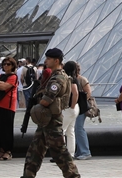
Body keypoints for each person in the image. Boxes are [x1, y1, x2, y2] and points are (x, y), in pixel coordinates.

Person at [20, 48, 80, 178]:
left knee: (59, 151)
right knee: (35, 150)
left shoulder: (58, 78)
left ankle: (73, 176)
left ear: (56, 60)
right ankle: (28, 175)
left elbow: (47, 100)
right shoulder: (54, 76)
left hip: (52, 119)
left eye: (48, 59)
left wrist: (37, 106)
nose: (46, 61)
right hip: (46, 119)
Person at [0, 56, 18, 160]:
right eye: (4, 64)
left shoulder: (13, 77)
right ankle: (1, 149)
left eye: (8, 64)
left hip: (8, 106)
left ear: (13, 66)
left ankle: (8, 151)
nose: (6, 66)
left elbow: (5, 87)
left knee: (6, 129)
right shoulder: (1, 76)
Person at [73, 62, 93, 160]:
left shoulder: (82, 79)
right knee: (76, 129)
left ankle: (85, 152)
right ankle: (79, 151)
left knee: (79, 128)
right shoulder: (73, 79)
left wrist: (81, 103)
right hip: (76, 107)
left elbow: (88, 93)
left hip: (81, 108)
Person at [61, 61, 80, 158]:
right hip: (75, 107)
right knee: (70, 131)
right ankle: (70, 154)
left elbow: (75, 93)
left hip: (69, 108)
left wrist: (71, 106)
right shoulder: (75, 78)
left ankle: (62, 154)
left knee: (61, 130)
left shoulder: (70, 79)